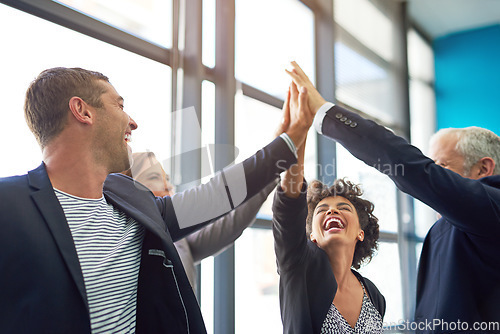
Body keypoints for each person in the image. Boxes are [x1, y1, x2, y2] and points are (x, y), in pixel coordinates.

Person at [0, 67, 312, 333]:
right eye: (119, 106)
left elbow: (216, 196)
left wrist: (286, 142)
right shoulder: (9, 204)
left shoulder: (135, 204)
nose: (132, 122)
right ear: (82, 111)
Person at [287, 61, 500, 333]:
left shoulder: (493, 207)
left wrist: (324, 114)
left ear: (483, 168)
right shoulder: (443, 228)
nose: (435, 177)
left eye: (441, 167)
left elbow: (411, 167)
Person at [272, 83, 385, 334]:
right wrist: (298, 133)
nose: (332, 211)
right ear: (311, 234)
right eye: (322, 210)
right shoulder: (298, 270)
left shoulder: (374, 295)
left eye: (342, 207)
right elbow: (289, 208)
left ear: (360, 232)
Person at [123, 151, 277, 290]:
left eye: (167, 179)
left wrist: (272, 172)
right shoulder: (124, 243)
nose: (168, 186)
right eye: (154, 177)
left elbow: (230, 224)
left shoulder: (178, 240)